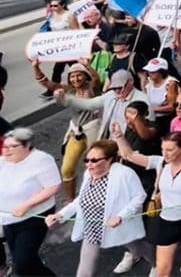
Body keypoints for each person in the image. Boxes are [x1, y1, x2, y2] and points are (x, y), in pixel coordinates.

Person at [113, 128, 181, 277]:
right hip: (168, 221)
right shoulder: (160, 163)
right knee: (162, 271)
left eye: (169, 150)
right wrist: (119, 137)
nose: (164, 153)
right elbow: (129, 155)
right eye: (163, 149)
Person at [46, 140, 154, 277]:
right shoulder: (88, 174)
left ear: (109, 160)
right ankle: (136, 256)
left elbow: (139, 196)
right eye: (87, 160)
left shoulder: (125, 174)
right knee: (84, 271)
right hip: (92, 228)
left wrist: (121, 216)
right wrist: (61, 215)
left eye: (94, 160)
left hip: (118, 226)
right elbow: (81, 200)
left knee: (138, 245)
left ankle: (156, 264)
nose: (89, 164)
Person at [30, 61, 100, 201]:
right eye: (72, 76)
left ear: (85, 76)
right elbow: (46, 83)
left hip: (94, 132)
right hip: (76, 132)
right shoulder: (69, 90)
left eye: (79, 75)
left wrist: (86, 65)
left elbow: (96, 78)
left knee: (96, 166)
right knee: (67, 169)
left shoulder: (92, 88)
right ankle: (71, 201)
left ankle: (95, 196)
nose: (76, 79)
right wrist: (35, 67)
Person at [0, 128, 61, 276]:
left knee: (22, 264)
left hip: (34, 216)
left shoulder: (41, 159)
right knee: (27, 261)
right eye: (5, 147)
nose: (7, 151)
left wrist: (26, 205)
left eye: (13, 147)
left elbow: (53, 186)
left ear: (27, 146)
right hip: (9, 219)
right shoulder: (3, 161)